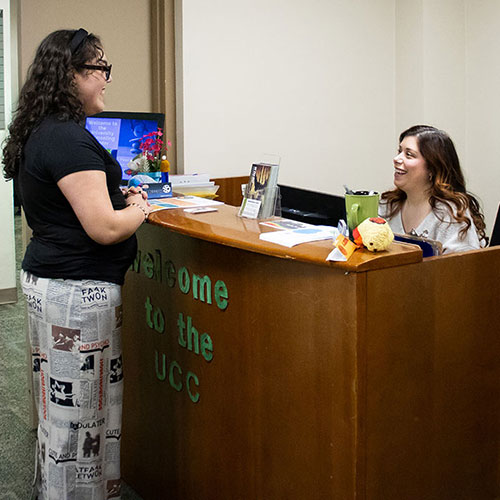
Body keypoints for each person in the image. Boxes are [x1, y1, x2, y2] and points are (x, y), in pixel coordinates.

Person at [2, 28, 151, 499]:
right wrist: (140, 208)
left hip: (56, 285)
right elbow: (104, 228)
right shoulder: (67, 139)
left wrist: (116, 197)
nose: (107, 79)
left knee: (65, 419)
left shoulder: (43, 133)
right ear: (71, 75)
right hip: (77, 297)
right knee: (80, 425)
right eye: (99, 68)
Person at [380, 124, 488, 254]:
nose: (396, 159)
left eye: (409, 155)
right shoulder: (389, 205)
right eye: (399, 151)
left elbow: (463, 269)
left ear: (432, 168)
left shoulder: (452, 213)